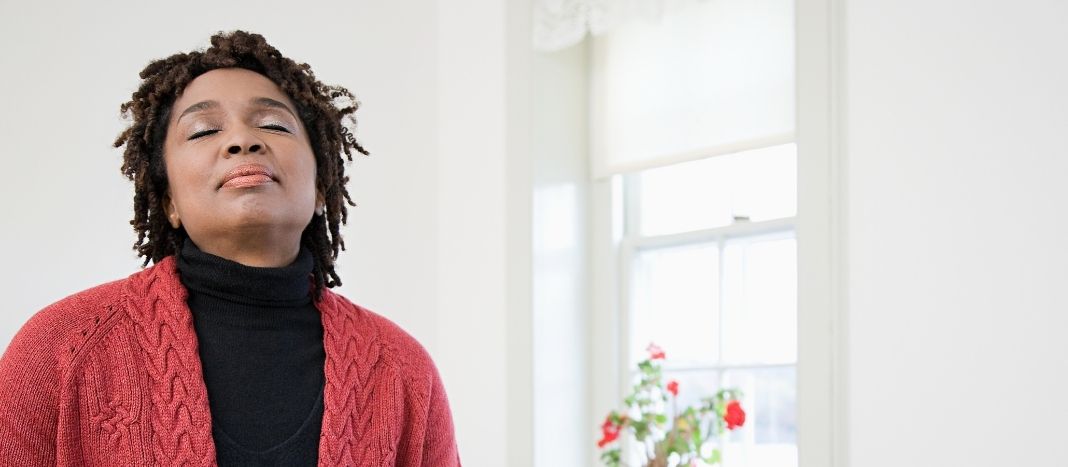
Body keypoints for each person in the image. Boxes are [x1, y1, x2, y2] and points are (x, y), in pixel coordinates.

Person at [0, 30, 460, 466]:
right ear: (169, 202)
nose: (243, 140)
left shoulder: (403, 373)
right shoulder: (58, 351)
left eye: (274, 124)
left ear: (322, 187)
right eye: (203, 131)